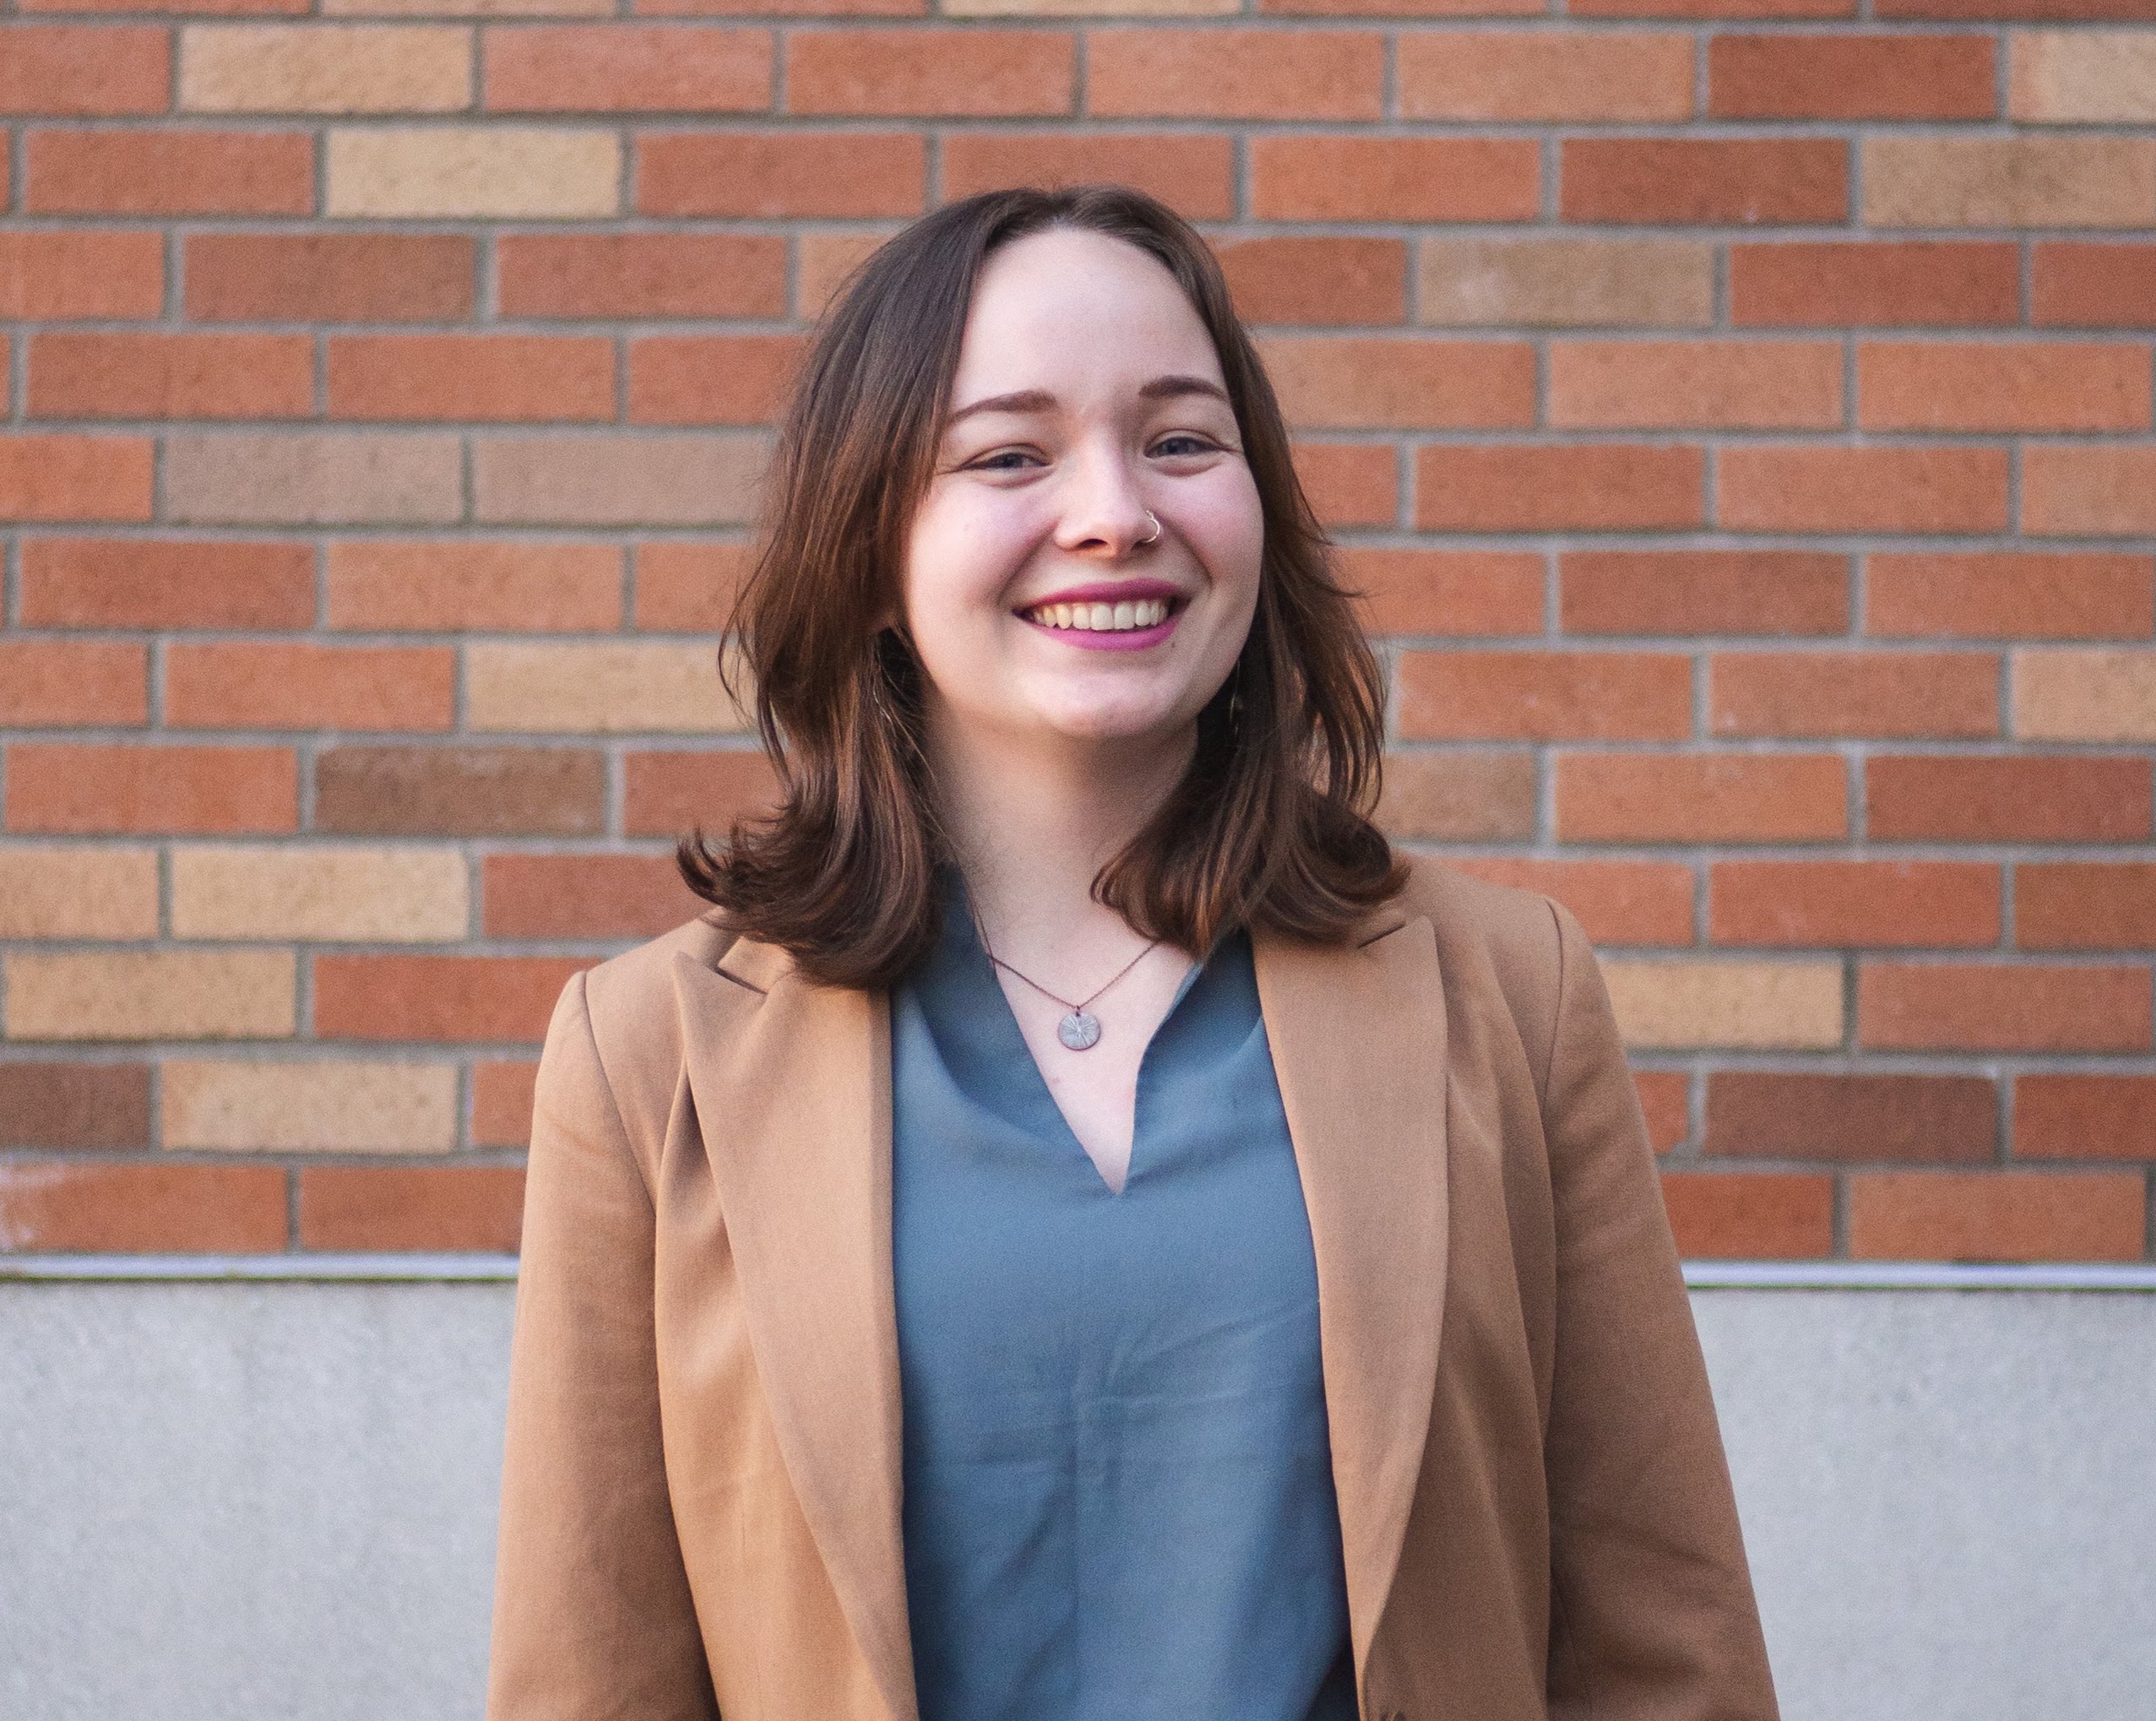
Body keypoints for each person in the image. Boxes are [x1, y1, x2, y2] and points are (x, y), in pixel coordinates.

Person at [486, 184, 1779, 1721]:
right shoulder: (650, 1054)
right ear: (872, 540)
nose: (1113, 511)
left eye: (1179, 439)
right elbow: (591, 1680)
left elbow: (1663, 1649)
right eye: (1008, 454)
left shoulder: (1510, 994)